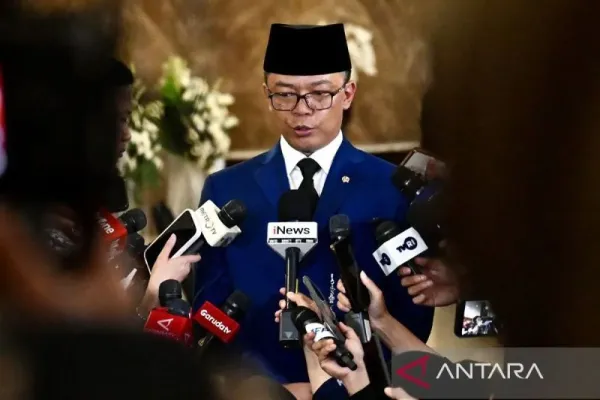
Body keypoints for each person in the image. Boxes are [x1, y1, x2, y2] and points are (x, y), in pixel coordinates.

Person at [194, 22, 434, 395]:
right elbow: (209, 306)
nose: (302, 111)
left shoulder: (390, 188)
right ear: (266, 94)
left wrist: (355, 383)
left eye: (320, 94)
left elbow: (414, 308)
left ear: (348, 94)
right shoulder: (226, 188)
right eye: (285, 95)